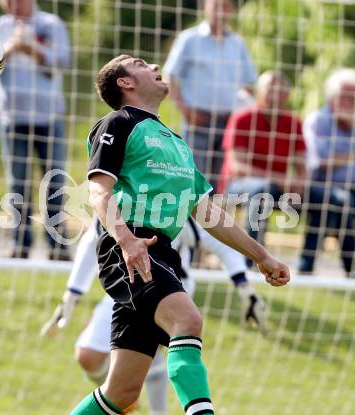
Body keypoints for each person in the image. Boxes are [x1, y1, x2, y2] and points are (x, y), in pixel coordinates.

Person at [69, 54, 289, 415]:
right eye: (140, 64)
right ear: (125, 83)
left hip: (162, 251)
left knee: (120, 393)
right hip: (131, 246)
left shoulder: (176, 142)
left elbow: (207, 212)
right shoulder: (118, 122)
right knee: (187, 320)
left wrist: (261, 256)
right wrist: (126, 239)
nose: (154, 67)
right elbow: (98, 192)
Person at [40, 217, 267, 415]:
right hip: (124, 283)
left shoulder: (172, 196)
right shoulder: (113, 197)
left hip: (171, 288)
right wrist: (70, 298)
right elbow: (92, 240)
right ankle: (125, 403)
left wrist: (244, 286)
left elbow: (220, 238)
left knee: (183, 326)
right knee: (93, 362)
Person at [0, 0, 71, 260]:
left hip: (49, 116)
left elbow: (64, 61)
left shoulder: (52, 24)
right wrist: (10, 48)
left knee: (54, 180)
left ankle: (57, 246)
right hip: (12, 117)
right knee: (17, 182)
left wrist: (31, 49)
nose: (12, 5)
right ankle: (19, 244)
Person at [163, 0, 257, 191]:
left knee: (220, 182)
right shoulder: (189, 39)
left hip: (229, 122)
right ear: (206, 8)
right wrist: (185, 110)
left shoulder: (237, 43)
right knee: (192, 177)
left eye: (226, 6)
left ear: (231, 11)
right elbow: (170, 77)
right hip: (198, 120)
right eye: (216, 6)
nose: (221, 11)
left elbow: (249, 84)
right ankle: (188, 220)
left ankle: (211, 220)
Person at [220, 71, 307, 261]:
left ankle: (308, 265)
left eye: (280, 90)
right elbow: (237, 168)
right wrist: (278, 179)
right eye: (270, 89)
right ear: (259, 92)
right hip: (238, 186)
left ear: (287, 95)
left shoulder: (294, 123)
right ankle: (252, 260)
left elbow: (302, 165)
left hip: (280, 187)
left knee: (331, 198)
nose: (275, 94)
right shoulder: (242, 118)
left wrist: (299, 183)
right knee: (263, 190)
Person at [299, 68, 355, 277]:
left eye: (353, 96)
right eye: (344, 95)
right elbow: (317, 162)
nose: (349, 101)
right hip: (323, 186)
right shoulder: (317, 121)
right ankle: (310, 267)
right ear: (331, 97)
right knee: (339, 201)